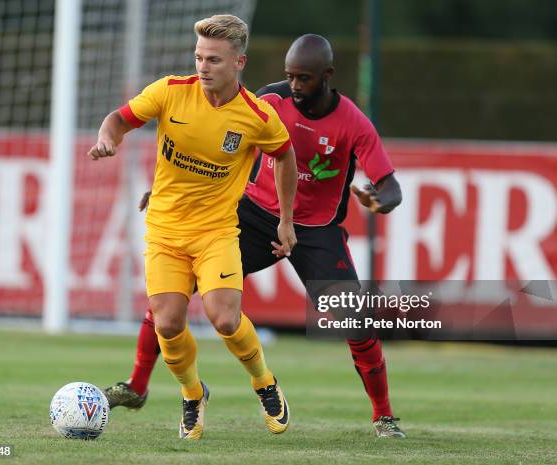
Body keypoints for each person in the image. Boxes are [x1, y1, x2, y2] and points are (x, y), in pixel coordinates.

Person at [105, 34, 406, 438]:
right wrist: (168, 187)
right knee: (174, 295)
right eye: (290, 77)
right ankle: (137, 386)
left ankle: (384, 417)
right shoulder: (270, 100)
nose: (295, 86)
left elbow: (391, 186)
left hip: (316, 231)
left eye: (305, 78)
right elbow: (229, 149)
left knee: (355, 322)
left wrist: (381, 199)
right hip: (254, 216)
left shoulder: (354, 124)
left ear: (327, 76)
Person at [88, 15, 298, 440]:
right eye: (199, 57)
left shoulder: (256, 115)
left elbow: (286, 158)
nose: (203, 67)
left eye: (214, 60)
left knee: (223, 318)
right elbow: (118, 118)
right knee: (166, 324)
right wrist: (109, 138)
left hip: (217, 231)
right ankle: (192, 394)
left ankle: (264, 383)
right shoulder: (170, 92)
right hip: (165, 229)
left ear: (239, 62)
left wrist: (286, 220)